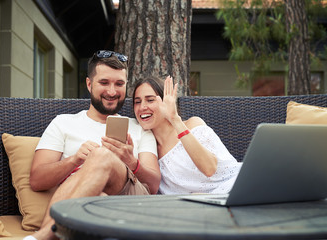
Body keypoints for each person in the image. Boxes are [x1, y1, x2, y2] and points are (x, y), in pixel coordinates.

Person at [24, 50, 160, 240]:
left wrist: (131, 161)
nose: (112, 91)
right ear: (89, 84)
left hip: (134, 202)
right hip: (96, 209)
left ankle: (43, 236)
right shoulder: (63, 123)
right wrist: (75, 160)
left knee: (100, 155)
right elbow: (37, 180)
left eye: (119, 84)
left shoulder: (140, 127)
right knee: (94, 196)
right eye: (104, 82)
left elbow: (153, 185)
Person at [132, 76, 242, 194]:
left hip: (238, 185)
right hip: (206, 206)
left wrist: (174, 119)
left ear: (165, 102)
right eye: (137, 102)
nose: (142, 107)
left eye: (150, 100)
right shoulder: (148, 154)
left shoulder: (192, 125)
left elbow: (209, 168)